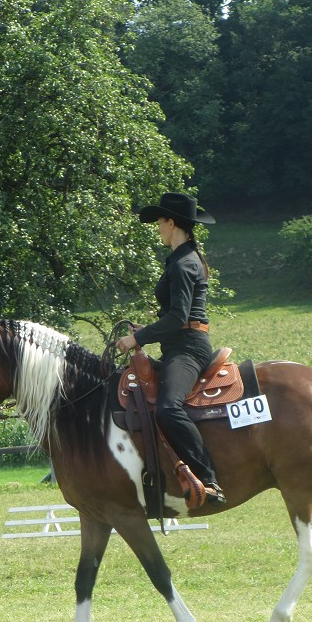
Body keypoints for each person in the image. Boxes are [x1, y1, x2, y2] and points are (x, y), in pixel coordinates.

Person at [116, 192, 225, 504]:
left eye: (161, 222)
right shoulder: (182, 259)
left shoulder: (183, 264)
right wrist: (147, 331)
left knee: (168, 407)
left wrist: (139, 338)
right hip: (178, 345)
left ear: (172, 222)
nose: (158, 229)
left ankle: (208, 480)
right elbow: (176, 316)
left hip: (189, 349)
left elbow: (179, 316)